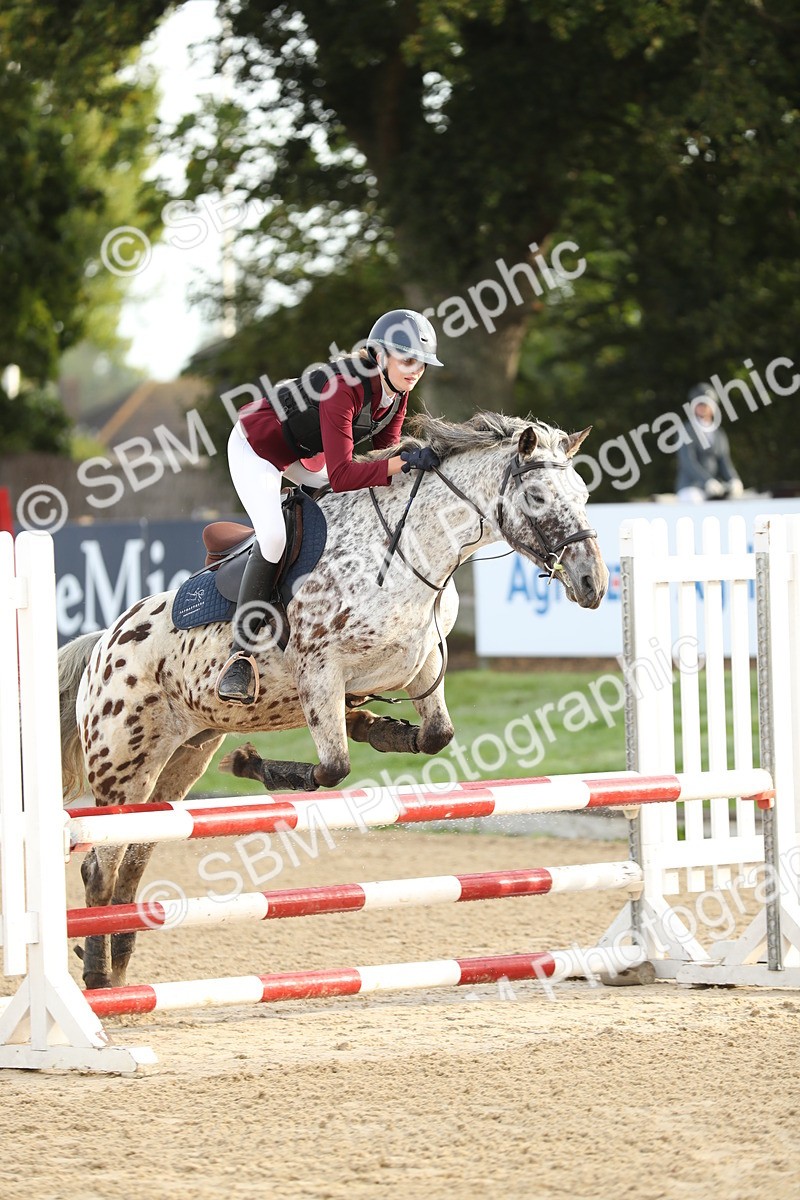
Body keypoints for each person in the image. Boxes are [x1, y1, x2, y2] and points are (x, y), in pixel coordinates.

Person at [216, 308, 444, 704]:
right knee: (273, 537)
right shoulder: (344, 387)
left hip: (306, 456)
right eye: (408, 360)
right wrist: (404, 460)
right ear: (379, 354)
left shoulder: (396, 396)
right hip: (259, 447)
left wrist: (412, 462)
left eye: (421, 364)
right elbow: (343, 475)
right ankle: (241, 654)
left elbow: (379, 458)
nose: (415, 371)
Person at [675, 384, 743, 504]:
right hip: (691, 486)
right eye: (699, 404)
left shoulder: (719, 433)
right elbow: (688, 461)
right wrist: (706, 481)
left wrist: (734, 479)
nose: (702, 407)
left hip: (714, 488)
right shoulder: (686, 431)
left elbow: (724, 461)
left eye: (705, 404)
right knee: (693, 499)